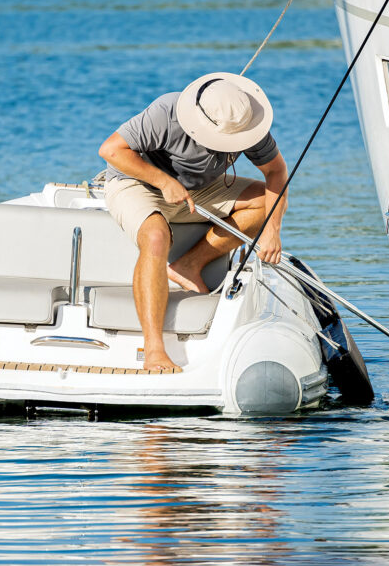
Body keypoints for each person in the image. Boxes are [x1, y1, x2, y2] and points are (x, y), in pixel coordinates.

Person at [99, 73, 288, 372]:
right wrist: (162, 181)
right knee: (156, 237)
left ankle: (188, 265)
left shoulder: (244, 122)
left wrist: (272, 230)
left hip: (197, 191)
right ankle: (154, 350)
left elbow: (276, 173)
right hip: (136, 182)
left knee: (267, 206)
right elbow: (110, 150)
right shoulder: (166, 112)